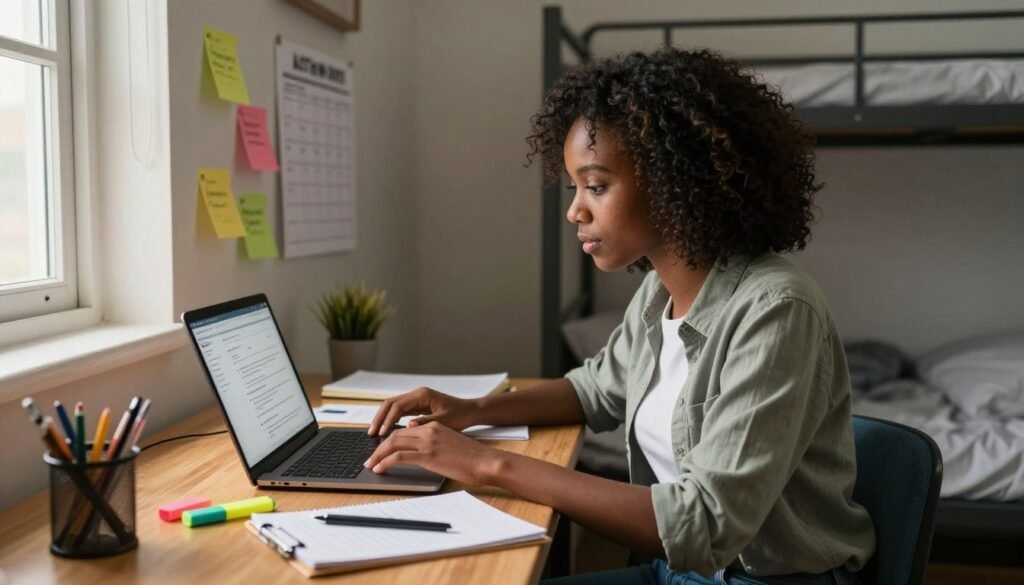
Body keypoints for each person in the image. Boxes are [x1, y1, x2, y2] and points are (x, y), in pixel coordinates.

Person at [364, 48, 875, 585]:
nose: (575, 210)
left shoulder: (777, 309)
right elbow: (595, 391)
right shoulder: (659, 291)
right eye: (575, 187)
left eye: (597, 186)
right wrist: (471, 409)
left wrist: (487, 464)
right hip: (679, 572)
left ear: (676, 180)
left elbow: (703, 524)